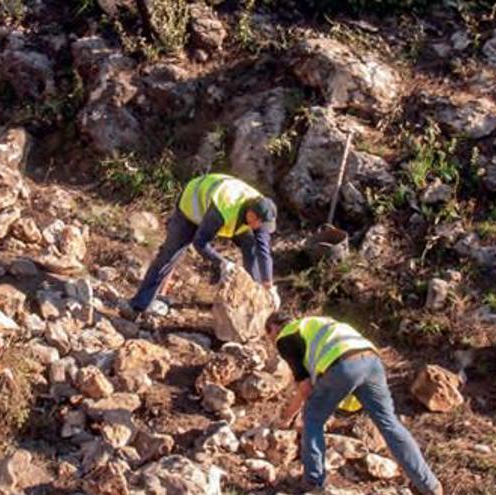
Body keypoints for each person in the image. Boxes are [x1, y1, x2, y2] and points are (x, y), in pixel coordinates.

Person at [267, 313, 443, 495]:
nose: (272, 342)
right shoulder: (316, 323)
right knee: (389, 423)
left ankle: (313, 483)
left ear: (273, 327)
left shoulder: (285, 337)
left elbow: (305, 389)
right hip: (371, 360)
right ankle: (429, 485)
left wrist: (285, 418)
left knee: (312, 418)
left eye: (269, 336)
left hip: (342, 364)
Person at [123, 173, 280, 319]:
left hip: (229, 209)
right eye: (260, 224)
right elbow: (200, 243)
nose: (262, 228)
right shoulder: (224, 208)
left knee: (251, 247)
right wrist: (223, 263)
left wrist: (268, 284)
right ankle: (138, 306)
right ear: (252, 215)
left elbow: (263, 250)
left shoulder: (261, 210)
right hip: (193, 205)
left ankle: (251, 308)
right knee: (170, 254)